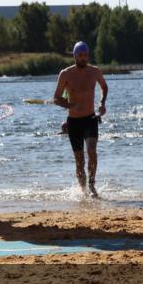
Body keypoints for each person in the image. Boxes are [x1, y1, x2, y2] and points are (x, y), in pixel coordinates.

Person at [52, 41, 108, 197]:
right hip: (74, 122)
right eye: (80, 55)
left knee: (92, 150)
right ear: (75, 56)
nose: (83, 58)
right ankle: (83, 191)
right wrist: (68, 104)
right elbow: (56, 98)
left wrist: (102, 103)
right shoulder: (66, 74)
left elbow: (104, 87)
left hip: (90, 118)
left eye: (86, 55)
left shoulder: (95, 71)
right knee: (79, 160)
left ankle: (92, 185)